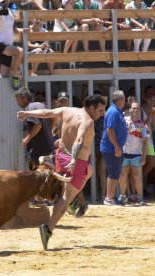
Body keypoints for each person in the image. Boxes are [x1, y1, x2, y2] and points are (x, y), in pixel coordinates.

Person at [17, 94, 106, 250]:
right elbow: (79, 140)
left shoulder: (67, 110)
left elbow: (46, 113)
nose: (102, 113)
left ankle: (70, 201)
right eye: (100, 110)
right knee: (65, 198)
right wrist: (73, 159)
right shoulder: (88, 122)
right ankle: (48, 229)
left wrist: (27, 113)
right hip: (75, 162)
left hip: (61, 156)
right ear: (91, 108)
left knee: (89, 170)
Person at [0, 0, 26, 90]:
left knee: (4, 76)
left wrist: (25, 30)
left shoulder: (10, 11)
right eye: (3, 2)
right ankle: (14, 74)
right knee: (19, 51)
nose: (5, 2)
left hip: (8, 45)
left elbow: (13, 29)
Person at [101, 90, 127, 206]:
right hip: (111, 148)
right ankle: (109, 198)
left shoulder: (116, 111)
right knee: (113, 172)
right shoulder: (113, 112)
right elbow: (110, 130)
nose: (125, 101)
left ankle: (110, 196)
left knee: (115, 172)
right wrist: (117, 146)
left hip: (114, 147)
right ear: (120, 99)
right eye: (124, 99)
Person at [118, 102, 148, 205]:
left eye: (137, 109)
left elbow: (145, 141)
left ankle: (140, 197)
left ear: (140, 111)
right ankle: (122, 196)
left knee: (137, 177)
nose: (135, 110)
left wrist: (144, 156)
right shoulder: (123, 121)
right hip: (124, 153)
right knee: (122, 176)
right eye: (133, 108)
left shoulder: (142, 124)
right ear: (129, 109)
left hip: (136, 154)